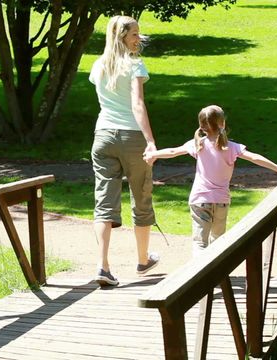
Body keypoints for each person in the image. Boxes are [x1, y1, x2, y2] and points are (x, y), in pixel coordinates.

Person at [143, 105, 277, 256]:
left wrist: (153, 154)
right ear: (222, 123)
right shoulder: (232, 147)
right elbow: (255, 157)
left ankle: (200, 277)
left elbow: (172, 151)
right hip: (222, 201)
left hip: (199, 200)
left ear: (201, 126)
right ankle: (217, 279)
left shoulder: (198, 145)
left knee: (199, 243)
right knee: (218, 241)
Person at [89, 15, 160, 287]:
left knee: (104, 201)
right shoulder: (134, 65)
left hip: (103, 136)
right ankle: (143, 260)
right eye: (134, 34)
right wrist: (151, 141)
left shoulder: (98, 66)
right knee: (141, 193)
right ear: (121, 37)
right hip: (131, 137)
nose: (138, 39)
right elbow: (137, 105)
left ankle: (102, 266)